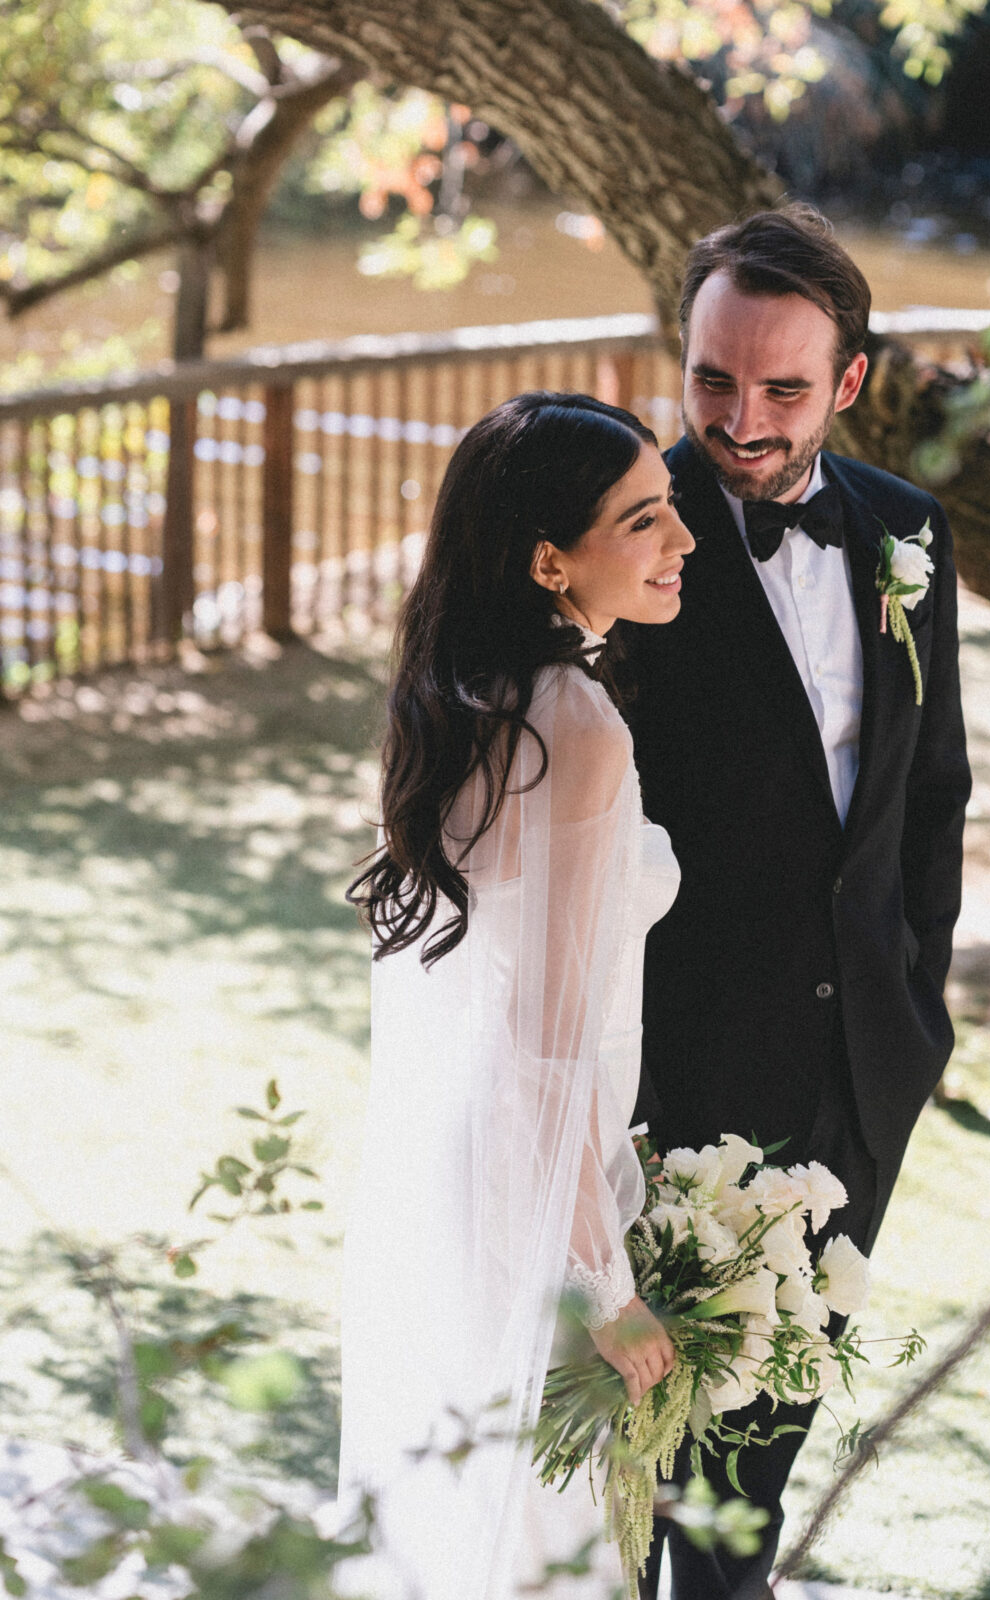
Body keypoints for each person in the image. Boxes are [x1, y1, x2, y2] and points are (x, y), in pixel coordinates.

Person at [625, 204, 971, 1600]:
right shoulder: (612, 536)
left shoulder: (904, 532)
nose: (740, 418)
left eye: (780, 387)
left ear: (847, 382)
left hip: (856, 1082)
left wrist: (917, 1014)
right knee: (629, 1465)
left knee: (747, 1478)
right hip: (674, 1081)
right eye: (712, 378)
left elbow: (928, 792)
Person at [338, 392, 694, 1599]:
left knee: (468, 1513)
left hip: (470, 1147)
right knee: (537, 1542)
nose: (680, 540)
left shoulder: (468, 685)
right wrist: (607, 1284)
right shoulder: (577, 720)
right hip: (530, 1178)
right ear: (552, 558)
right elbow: (546, 1041)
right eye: (643, 520)